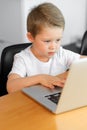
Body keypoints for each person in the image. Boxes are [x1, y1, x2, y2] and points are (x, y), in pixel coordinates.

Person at [7, 2, 86, 93]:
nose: (54, 47)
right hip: (32, 101)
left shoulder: (61, 53)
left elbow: (85, 62)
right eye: (47, 41)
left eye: (58, 40)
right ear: (31, 37)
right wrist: (41, 78)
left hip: (56, 97)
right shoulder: (23, 58)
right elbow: (11, 87)